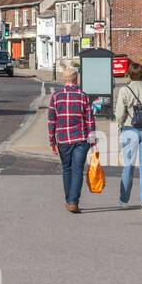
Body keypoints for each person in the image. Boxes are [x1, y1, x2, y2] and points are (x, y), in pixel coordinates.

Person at [48, 66, 96, 214]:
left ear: (64, 79)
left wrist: (52, 141)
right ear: (76, 79)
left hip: (63, 139)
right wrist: (93, 141)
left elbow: (51, 121)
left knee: (67, 169)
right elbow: (90, 120)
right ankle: (73, 201)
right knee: (77, 170)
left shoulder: (56, 96)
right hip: (81, 138)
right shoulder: (83, 96)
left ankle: (69, 200)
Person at [114, 63, 142, 212]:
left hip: (129, 129)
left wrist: (120, 126)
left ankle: (124, 200)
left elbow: (120, 113)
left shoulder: (124, 90)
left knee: (128, 166)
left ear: (129, 74)